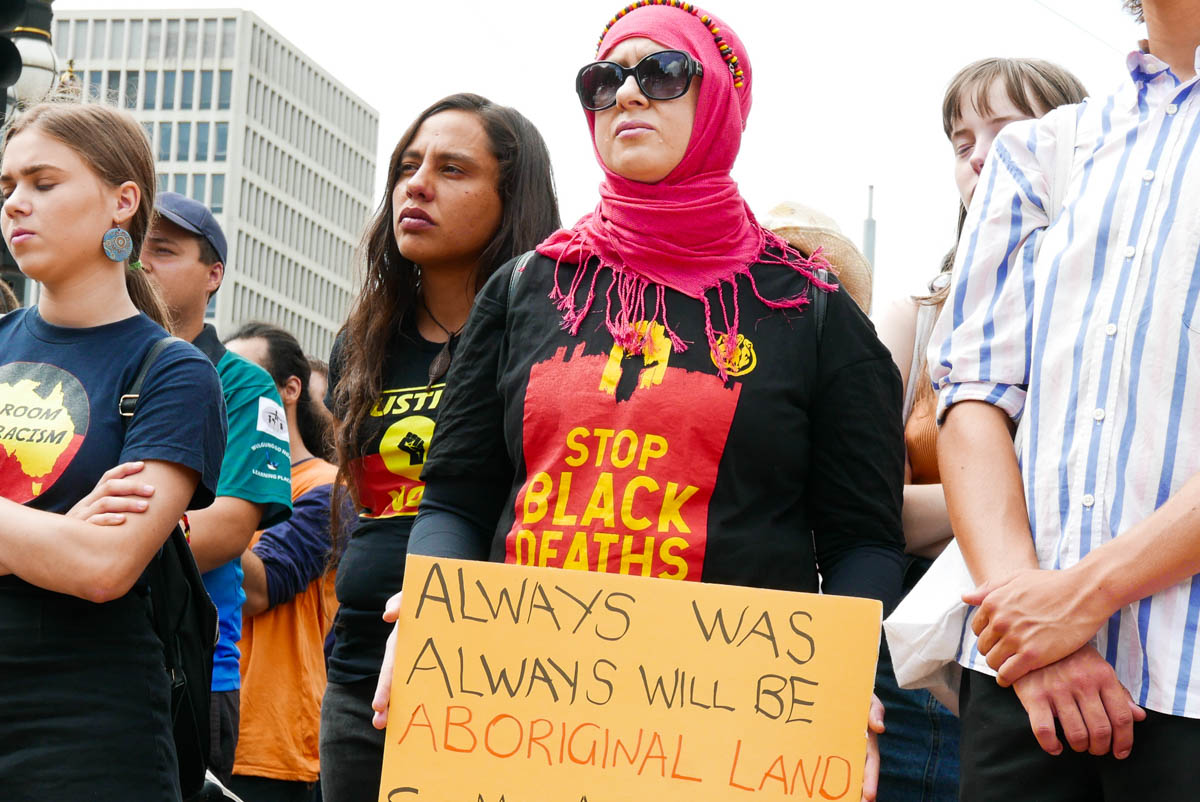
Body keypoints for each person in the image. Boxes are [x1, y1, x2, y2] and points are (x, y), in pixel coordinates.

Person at [374, 4, 905, 800]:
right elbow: (457, 494)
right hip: (515, 712)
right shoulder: (523, 290)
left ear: (720, 96)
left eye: (662, 73)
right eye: (603, 80)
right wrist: (424, 614)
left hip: (731, 732)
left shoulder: (812, 313)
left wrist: (843, 691)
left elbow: (862, 538)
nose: (626, 96)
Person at [932, 0, 1200, 797]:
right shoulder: (1041, 148)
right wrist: (1032, 621)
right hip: (1022, 684)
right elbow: (972, 393)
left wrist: (1080, 599)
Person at [319, 92, 560, 802]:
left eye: (453, 169)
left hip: (503, 676)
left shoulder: (552, 346)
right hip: (363, 668)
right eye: (407, 166)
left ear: (511, 199)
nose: (416, 185)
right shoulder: (361, 344)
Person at [871, 58, 1086, 801]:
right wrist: (1013, 508)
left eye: (1008, 129)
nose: (980, 155)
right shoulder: (917, 313)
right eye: (961, 140)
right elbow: (870, 509)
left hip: (1085, 642)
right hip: (921, 659)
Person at [0, 102, 225, 799]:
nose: (15, 205)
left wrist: (74, 547)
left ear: (123, 201)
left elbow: (103, 567)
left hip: (88, 728)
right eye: (6, 186)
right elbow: (78, 551)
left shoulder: (174, 373)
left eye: (43, 182)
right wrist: (59, 535)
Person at [140, 192, 294, 786]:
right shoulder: (108, 359)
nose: (142, 263)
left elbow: (230, 528)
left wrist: (71, 556)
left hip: (188, 669)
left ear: (214, 274)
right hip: (74, 656)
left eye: (164, 250)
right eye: (134, 247)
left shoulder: (243, 385)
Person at [222, 322, 341, 802]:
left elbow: (260, 589)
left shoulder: (328, 488)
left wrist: (184, 514)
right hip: (199, 722)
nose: (229, 389)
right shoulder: (209, 483)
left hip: (271, 745)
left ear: (290, 390)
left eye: (244, 377)